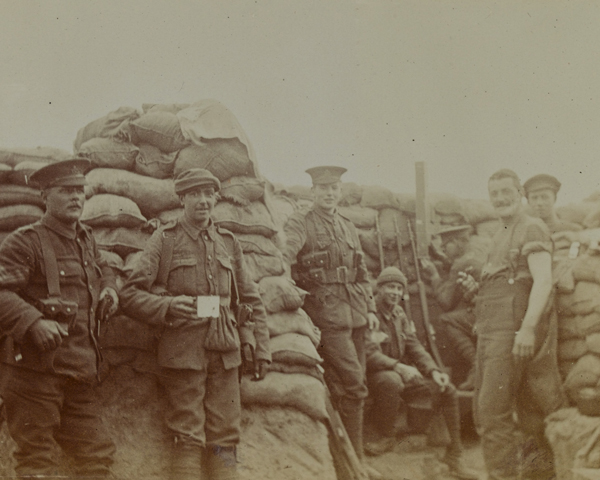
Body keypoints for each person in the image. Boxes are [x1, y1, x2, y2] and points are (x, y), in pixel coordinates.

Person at [120, 168, 270, 480]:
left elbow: (251, 300)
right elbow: (130, 295)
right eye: (194, 194)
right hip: (183, 351)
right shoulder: (165, 239)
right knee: (187, 435)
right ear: (182, 198)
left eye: (208, 194)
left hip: (226, 352)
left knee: (226, 439)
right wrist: (168, 305)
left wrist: (260, 346)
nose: (202, 200)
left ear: (216, 198)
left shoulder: (229, 243)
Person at [0, 158, 119, 478]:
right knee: (37, 461)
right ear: (44, 197)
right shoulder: (25, 241)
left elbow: (104, 268)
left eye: (79, 191)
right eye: (65, 191)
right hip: (33, 374)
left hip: (78, 371)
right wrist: (33, 322)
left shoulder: (86, 238)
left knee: (96, 456)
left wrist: (109, 290)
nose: (76, 198)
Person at [467, 169, 566, 480]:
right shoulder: (499, 234)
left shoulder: (531, 227)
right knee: (528, 412)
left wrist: (527, 328)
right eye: (494, 193)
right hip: (492, 333)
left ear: (519, 194)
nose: (500, 199)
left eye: (506, 192)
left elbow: (544, 280)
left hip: (511, 333)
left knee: (491, 414)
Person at [281, 166, 380, 472]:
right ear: (313, 192)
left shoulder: (348, 226)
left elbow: (362, 272)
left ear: (340, 191)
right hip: (327, 315)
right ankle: (354, 465)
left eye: (334, 188)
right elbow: (285, 257)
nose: (329, 193)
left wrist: (372, 308)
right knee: (354, 385)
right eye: (323, 188)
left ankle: (350, 460)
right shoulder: (301, 222)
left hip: (357, 315)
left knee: (352, 386)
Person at [364, 267, 477, 479]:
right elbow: (369, 354)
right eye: (390, 287)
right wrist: (398, 366)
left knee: (448, 389)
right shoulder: (370, 315)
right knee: (392, 380)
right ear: (379, 289)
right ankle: (385, 435)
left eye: (399, 288)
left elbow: (414, 347)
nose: (395, 293)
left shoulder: (400, 314)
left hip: (400, 372)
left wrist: (434, 371)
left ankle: (455, 456)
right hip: (376, 375)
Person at [421, 225, 486, 391]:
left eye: (446, 245)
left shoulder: (461, 263)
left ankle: (475, 364)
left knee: (447, 320)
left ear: (458, 243)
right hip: (488, 310)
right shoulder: (476, 255)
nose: (443, 249)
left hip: (483, 314)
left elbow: (446, 301)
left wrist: (435, 277)